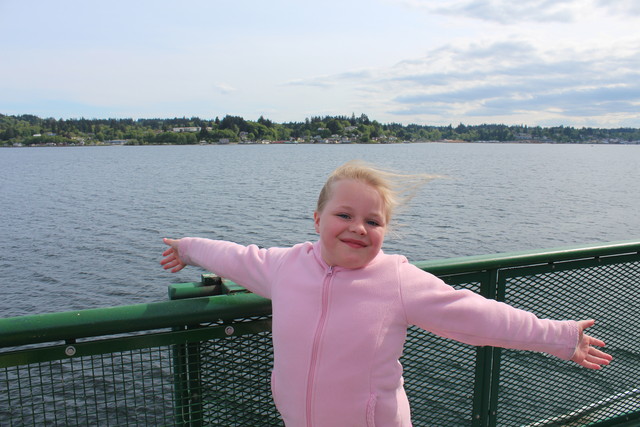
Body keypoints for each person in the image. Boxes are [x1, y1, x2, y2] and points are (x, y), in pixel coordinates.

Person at [161, 160, 612, 427]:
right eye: (344, 214)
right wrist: (186, 249)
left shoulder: (397, 280)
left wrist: (559, 336)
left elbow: (476, 316)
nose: (358, 228)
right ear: (317, 220)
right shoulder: (284, 266)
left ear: (384, 232)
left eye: (373, 222)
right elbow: (232, 255)